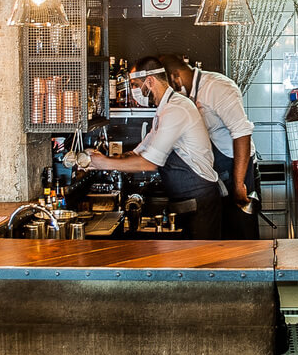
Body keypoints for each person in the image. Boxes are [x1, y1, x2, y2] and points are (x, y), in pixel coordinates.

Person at [87, 57, 221, 239]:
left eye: (135, 84)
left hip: (199, 203)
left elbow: (148, 163)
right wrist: (97, 160)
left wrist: (103, 163)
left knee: (200, 264)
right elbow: (138, 153)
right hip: (185, 201)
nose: (133, 91)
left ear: (150, 81)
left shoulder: (177, 109)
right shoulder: (164, 110)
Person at [160, 54, 260, 240]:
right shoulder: (186, 96)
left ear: (175, 77)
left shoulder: (217, 87)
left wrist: (239, 184)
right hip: (215, 171)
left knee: (240, 234)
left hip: (236, 167)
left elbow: (242, 133)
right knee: (220, 234)